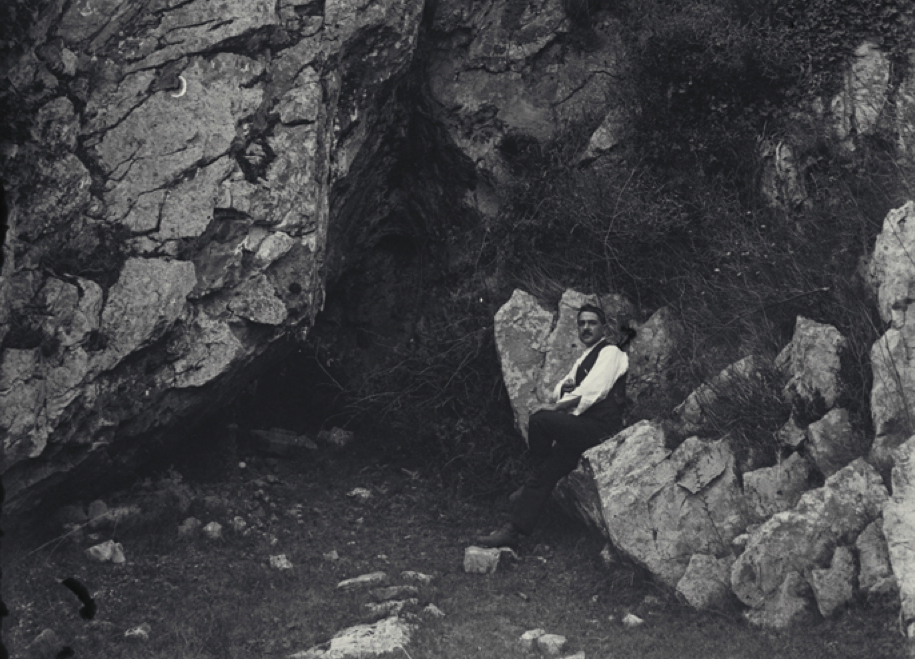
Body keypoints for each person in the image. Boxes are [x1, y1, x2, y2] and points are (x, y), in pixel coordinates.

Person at [476, 304, 631, 549]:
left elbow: (593, 392)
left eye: (592, 323)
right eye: (581, 323)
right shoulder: (583, 359)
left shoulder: (611, 352)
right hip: (583, 428)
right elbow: (562, 388)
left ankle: (531, 479)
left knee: (540, 419)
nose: (586, 327)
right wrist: (563, 398)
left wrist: (557, 407)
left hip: (601, 429)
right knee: (545, 473)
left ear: (603, 328)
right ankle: (512, 532)